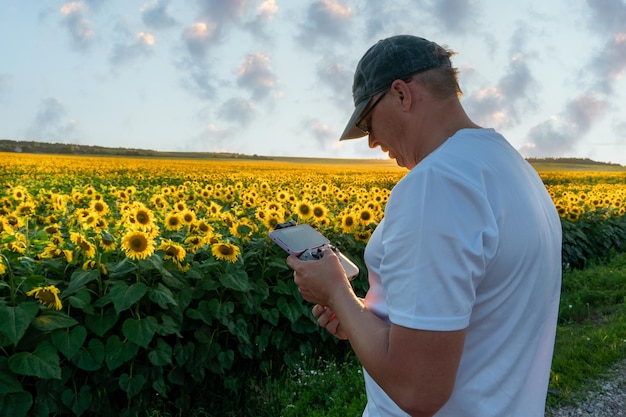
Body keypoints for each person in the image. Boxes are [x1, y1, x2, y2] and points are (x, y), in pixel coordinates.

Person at [286, 35, 562, 417]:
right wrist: (361, 316)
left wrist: (336, 292)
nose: (371, 142)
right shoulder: (511, 168)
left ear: (402, 94)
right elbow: (475, 319)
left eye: (367, 122)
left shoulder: (436, 185)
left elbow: (417, 389)